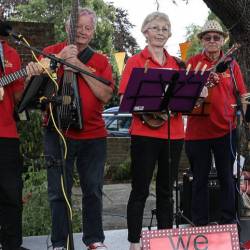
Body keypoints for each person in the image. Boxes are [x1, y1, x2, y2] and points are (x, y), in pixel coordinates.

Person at [26, 7, 114, 250]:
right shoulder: (51, 52)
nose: (83, 32)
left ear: (93, 32)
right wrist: (59, 61)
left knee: (93, 190)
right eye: (78, 27)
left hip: (93, 135)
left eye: (88, 28)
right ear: (68, 29)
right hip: (57, 132)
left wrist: (79, 67)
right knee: (57, 191)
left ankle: (94, 240)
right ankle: (59, 243)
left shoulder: (101, 61)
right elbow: (32, 88)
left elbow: (106, 94)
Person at [118, 12, 185, 250]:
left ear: (169, 34)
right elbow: (125, 97)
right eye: (155, 28)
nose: (159, 32)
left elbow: (187, 100)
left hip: (174, 135)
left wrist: (198, 95)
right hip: (144, 134)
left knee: (167, 191)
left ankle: (164, 241)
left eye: (164, 29)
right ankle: (134, 242)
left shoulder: (178, 64)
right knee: (140, 189)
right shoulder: (135, 61)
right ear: (145, 31)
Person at [185, 20, 247, 226]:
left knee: (227, 179)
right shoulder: (193, 62)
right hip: (197, 133)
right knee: (199, 180)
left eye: (217, 37)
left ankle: (228, 224)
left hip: (226, 131)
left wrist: (246, 111)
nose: (212, 40)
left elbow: (242, 94)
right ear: (202, 40)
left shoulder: (232, 64)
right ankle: (199, 225)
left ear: (222, 41)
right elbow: (184, 96)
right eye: (208, 37)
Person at [0, 36, 28, 249]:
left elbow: (18, 97)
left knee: (11, 193)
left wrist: (29, 80)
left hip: (6, 133)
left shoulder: (11, 53)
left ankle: (12, 245)